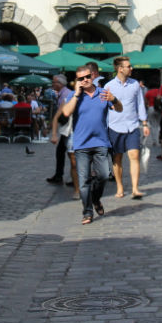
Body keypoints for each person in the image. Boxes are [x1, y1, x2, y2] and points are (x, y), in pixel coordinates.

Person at [60, 65, 122, 224]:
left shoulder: (103, 93)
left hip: (101, 143)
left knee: (103, 176)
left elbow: (119, 109)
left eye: (87, 77)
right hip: (81, 144)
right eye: (81, 78)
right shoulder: (74, 95)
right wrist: (77, 95)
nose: (85, 80)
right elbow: (66, 113)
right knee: (84, 181)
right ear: (77, 80)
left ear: (93, 76)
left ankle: (95, 199)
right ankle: (87, 212)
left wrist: (113, 99)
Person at [104, 56, 147, 200]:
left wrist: (145, 123)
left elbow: (140, 104)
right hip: (115, 126)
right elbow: (104, 108)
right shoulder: (108, 86)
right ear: (120, 68)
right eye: (129, 66)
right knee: (117, 158)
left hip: (132, 126)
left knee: (134, 156)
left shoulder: (135, 84)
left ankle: (135, 188)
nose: (131, 68)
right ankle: (120, 186)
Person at [45, 74, 74, 185]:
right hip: (67, 128)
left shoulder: (66, 94)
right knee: (62, 151)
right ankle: (60, 175)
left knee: (69, 154)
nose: (52, 84)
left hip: (69, 128)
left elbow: (61, 114)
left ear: (60, 84)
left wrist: (53, 132)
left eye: (54, 82)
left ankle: (67, 176)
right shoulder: (63, 93)